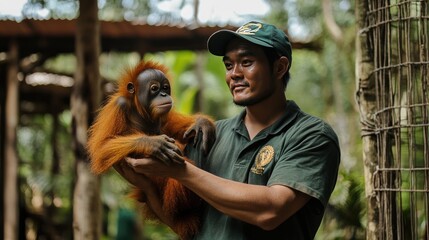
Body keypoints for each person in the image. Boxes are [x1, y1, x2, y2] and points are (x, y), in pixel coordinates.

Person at [115, 21, 341, 240]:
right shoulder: (211, 134)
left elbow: (271, 211)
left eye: (247, 62)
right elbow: (186, 227)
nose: (234, 74)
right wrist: (147, 186)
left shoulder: (311, 135)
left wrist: (180, 171)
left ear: (279, 67)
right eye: (229, 65)